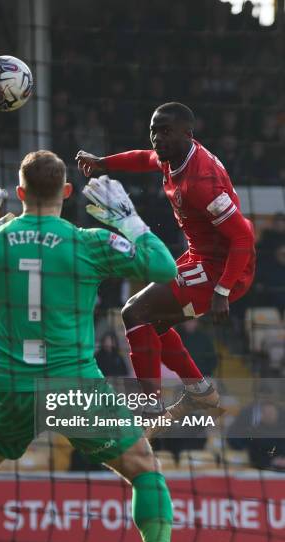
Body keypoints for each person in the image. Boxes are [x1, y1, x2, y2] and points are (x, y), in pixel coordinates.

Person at [0, 150, 201, 542]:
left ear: (20, 193)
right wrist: (129, 220)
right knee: (144, 468)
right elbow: (164, 269)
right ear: (67, 194)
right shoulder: (88, 243)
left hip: (10, 385)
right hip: (74, 386)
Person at [76, 101, 255, 427]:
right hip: (201, 256)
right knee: (151, 324)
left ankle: (151, 409)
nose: (157, 138)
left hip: (222, 266)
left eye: (165, 132)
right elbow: (145, 158)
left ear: (187, 134)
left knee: (134, 312)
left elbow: (242, 238)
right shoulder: (174, 155)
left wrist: (222, 290)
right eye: (154, 131)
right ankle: (199, 390)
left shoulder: (202, 181)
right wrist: (104, 163)